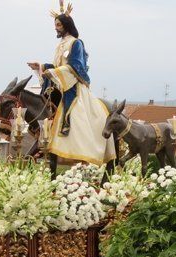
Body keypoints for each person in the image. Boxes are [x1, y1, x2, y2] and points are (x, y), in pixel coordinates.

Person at [27, 1, 116, 166]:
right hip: (60, 85)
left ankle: (83, 149)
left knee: (75, 115)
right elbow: (57, 66)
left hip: (73, 86)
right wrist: (41, 66)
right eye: (55, 25)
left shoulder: (76, 43)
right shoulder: (60, 45)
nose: (56, 28)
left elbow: (76, 66)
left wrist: (53, 72)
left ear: (66, 25)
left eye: (58, 25)